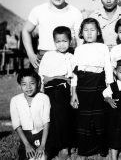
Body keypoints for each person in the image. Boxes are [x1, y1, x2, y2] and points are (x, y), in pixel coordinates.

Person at [70, 18, 113, 157]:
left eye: (92, 30)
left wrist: (109, 88)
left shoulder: (103, 47)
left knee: (99, 116)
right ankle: (85, 148)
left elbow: (108, 68)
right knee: (84, 117)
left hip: (99, 83)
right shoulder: (78, 49)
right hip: (83, 85)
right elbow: (74, 74)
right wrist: (74, 93)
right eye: (86, 30)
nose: (89, 33)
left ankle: (102, 147)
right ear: (81, 33)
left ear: (98, 32)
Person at [22, 0, 83, 69]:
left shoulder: (75, 12)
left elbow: (80, 39)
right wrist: (30, 54)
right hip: (44, 57)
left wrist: (77, 58)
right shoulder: (38, 10)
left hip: (67, 58)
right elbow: (26, 30)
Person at [38, 26, 75, 159]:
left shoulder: (71, 57)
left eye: (64, 41)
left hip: (62, 90)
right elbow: (42, 74)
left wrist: (73, 93)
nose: (61, 44)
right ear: (54, 42)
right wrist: (52, 80)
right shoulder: (48, 55)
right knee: (50, 118)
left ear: (70, 41)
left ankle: (65, 148)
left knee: (63, 118)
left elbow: (72, 77)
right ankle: (51, 146)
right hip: (48, 91)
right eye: (58, 41)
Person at [10, 70, 51, 160]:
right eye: (24, 84)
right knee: (30, 158)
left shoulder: (44, 98)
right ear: (19, 85)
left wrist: (43, 145)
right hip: (26, 137)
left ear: (38, 83)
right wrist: (27, 145)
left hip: (41, 135)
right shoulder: (15, 100)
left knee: (42, 158)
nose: (28, 87)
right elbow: (16, 124)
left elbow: (46, 121)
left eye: (32, 83)